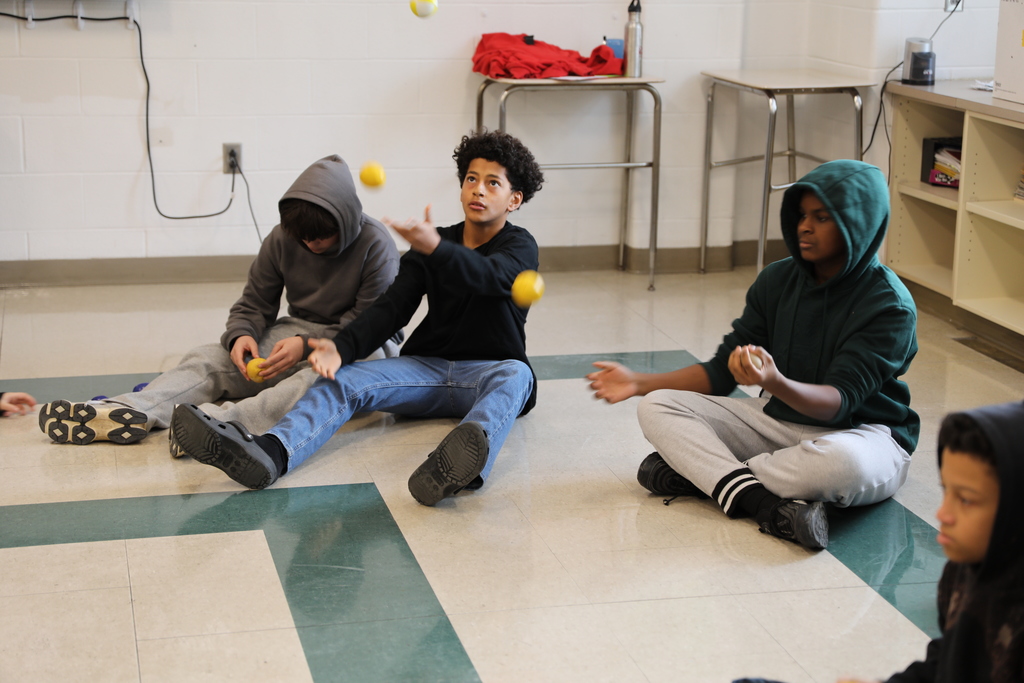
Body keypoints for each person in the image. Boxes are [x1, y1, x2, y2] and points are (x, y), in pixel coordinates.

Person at [170, 130, 545, 506]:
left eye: (492, 183)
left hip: (490, 371)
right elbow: (390, 308)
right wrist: (341, 348)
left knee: (517, 377)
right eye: (471, 179)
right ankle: (272, 452)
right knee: (341, 378)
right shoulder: (432, 245)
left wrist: (437, 249)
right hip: (425, 371)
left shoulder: (520, 245)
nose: (478, 190)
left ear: (514, 199)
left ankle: (453, 468)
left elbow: (492, 276)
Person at [588, 159, 919, 550]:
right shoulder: (777, 279)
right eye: (802, 215)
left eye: (822, 217)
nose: (805, 226)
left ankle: (706, 475)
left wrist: (773, 382)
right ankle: (758, 500)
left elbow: (838, 403)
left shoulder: (890, 305)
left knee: (842, 466)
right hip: (778, 421)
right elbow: (719, 373)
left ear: (859, 224)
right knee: (657, 406)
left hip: (860, 433)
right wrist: (638, 382)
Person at [37, 155, 401, 448]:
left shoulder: (376, 245)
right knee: (208, 358)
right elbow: (254, 303)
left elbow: (370, 324)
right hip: (298, 331)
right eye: (303, 238)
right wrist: (242, 335)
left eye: (320, 238)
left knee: (317, 380)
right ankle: (128, 409)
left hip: (364, 344)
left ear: (344, 220)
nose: (310, 244)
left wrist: (306, 347)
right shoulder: (282, 238)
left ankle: (220, 426)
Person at [736, 400, 1024, 683]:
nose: (943, 513)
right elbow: (943, 665)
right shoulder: (964, 571)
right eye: (946, 491)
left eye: (966, 500)